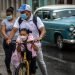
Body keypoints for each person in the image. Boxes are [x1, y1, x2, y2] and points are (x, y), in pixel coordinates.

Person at [7, 4, 48, 75]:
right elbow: (14, 30)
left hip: (34, 44)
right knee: (17, 61)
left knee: (40, 62)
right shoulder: (19, 20)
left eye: (23, 12)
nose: (21, 14)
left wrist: (40, 37)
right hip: (22, 44)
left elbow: (43, 30)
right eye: (21, 12)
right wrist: (9, 39)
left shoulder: (36, 19)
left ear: (28, 12)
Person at [1, 7, 19, 75]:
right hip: (7, 42)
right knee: (8, 56)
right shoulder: (4, 21)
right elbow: (2, 30)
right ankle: (8, 69)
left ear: (12, 14)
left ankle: (16, 70)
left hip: (16, 41)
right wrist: (7, 37)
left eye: (9, 15)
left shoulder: (17, 20)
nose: (8, 16)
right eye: (7, 15)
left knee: (16, 57)